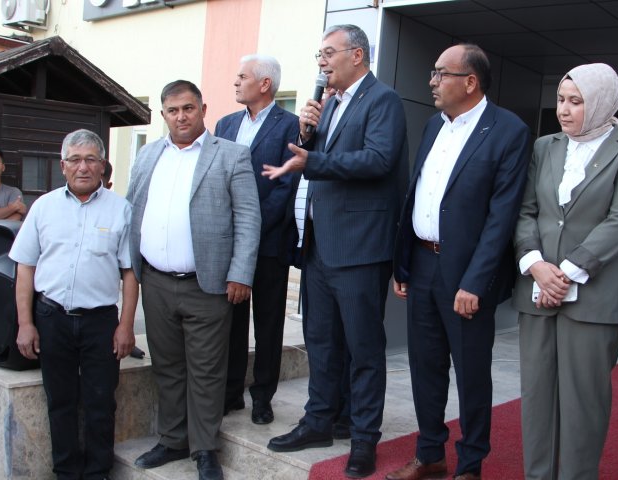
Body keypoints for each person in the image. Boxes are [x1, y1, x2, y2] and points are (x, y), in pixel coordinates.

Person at [263, 24, 407, 479]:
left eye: (329, 53)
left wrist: (314, 159)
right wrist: (308, 133)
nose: (322, 62)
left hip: (360, 247)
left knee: (363, 349)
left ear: (357, 55)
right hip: (319, 244)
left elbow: (378, 160)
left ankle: (363, 438)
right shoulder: (330, 103)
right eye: (319, 55)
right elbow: (317, 157)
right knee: (322, 341)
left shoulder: (382, 100)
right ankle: (319, 421)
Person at [386, 44, 530, 480]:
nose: (431, 81)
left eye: (440, 73)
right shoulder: (434, 126)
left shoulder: (508, 130)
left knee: (471, 374)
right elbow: (419, 194)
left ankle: (470, 465)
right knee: (425, 367)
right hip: (422, 265)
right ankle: (430, 454)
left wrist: (475, 282)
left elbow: (501, 216)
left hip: (467, 276)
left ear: (470, 82)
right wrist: (403, 264)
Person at [513, 63, 618, 480]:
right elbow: (526, 211)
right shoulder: (544, 147)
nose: (564, 110)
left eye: (576, 101)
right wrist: (536, 265)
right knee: (536, 397)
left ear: (602, 103)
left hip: (594, 298)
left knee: (583, 403)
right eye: (560, 100)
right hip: (537, 291)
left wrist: (566, 273)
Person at [127, 80, 260, 480]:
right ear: (163, 115)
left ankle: (204, 449)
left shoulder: (231, 155)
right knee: (167, 367)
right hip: (155, 282)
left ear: (203, 109)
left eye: (188, 108)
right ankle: (172, 440)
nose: (181, 117)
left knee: (206, 371)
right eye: (173, 110)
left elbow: (248, 218)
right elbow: (133, 208)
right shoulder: (148, 155)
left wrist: (240, 273)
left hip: (208, 284)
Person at [10, 129, 137, 480]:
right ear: (63, 165)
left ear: (102, 165)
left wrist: (126, 326)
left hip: (100, 323)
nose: (83, 167)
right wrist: (26, 323)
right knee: (60, 401)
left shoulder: (121, 209)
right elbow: (25, 267)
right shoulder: (43, 207)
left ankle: (98, 472)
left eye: (91, 159)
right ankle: (65, 472)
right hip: (52, 318)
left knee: (101, 403)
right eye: (76, 160)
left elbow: (130, 273)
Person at [213, 54, 299, 425]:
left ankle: (262, 397)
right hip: (229, 243)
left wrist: (250, 228)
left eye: (242, 76)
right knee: (231, 323)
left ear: (265, 84)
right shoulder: (225, 124)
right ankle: (231, 393)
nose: (235, 82)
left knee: (267, 324)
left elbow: (286, 187)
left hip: (269, 241)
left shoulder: (290, 126)